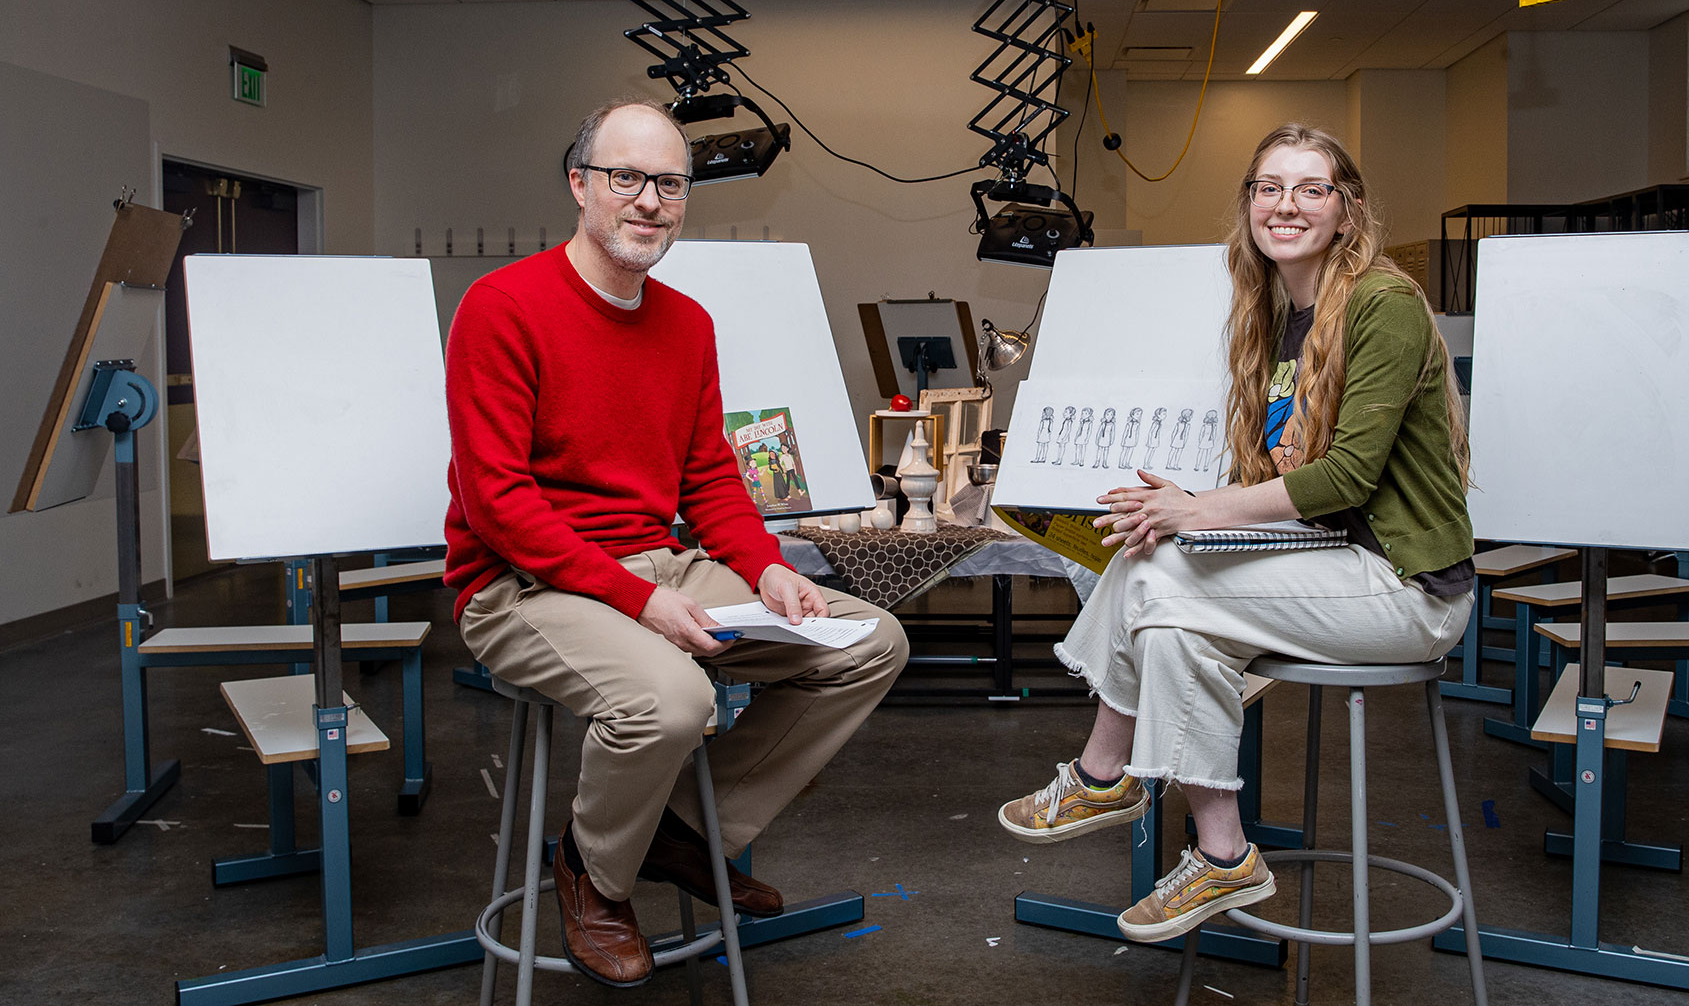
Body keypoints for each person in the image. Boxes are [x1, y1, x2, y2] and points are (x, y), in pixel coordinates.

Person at [444, 99, 908, 987]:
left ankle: (681, 832)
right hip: (520, 583)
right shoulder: (502, 307)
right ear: (580, 185)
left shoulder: (687, 323)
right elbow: (499, 505)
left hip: (658, 564)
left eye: (669, 183)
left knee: (871, 643)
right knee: (672, 700)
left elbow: (707, 479)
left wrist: (766, 569)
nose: (648, 201)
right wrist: (644, 602)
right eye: (626, 177)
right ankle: (592, 870)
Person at [997, 122, 1474, 943]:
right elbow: (1280, 476)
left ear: (1348, 211)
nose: (1286, 205)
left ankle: (1101, 772)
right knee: (1175, 614)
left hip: (1407, 589)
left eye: (1310, 188)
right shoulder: (1279, 313)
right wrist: (1182, 507)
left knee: (1157, 574)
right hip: (1333, 565)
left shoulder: (1382, 304)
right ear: (1249, 204)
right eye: (1268, 187)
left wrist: (1198, 510)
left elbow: (1349, 477)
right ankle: (1223, 857)